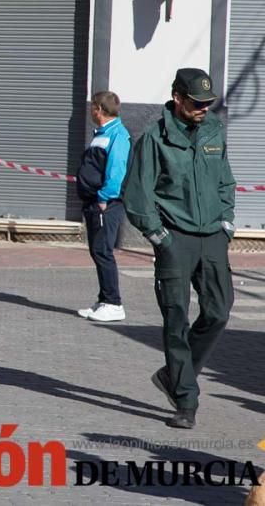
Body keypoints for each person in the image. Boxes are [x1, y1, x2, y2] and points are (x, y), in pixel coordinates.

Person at [122, 68, 235, 430]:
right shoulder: (154, 138)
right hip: (175, 239)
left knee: (218, 312)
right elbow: (138, 195)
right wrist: (161, 239)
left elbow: (226, 181)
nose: (203, 108)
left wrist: (227, 223)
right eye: (196, 102)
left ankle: (173, 375)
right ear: (177, 98)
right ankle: (186, 400)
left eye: (207, 103)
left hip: (213, 238)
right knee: (175, 321)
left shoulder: (213, 131)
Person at [76, 91, 131, 322]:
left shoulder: (117, 135)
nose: (90, 111)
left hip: (105, 204)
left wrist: (103, 197)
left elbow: (116, 170)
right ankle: (104, 300)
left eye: (92, 107)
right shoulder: (102, 133)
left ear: (98, 109)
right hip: (94, 202)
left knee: (103, 251)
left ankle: (114, 303)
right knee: (97, 251)